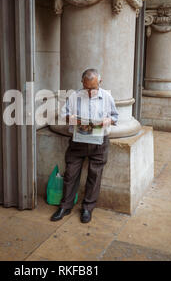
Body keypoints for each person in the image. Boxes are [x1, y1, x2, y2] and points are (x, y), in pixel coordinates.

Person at [50, 68, 118, 224]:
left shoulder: (107, 97)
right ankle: (65, 206)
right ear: (82, 83)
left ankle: (87, 208)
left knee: (94, 176)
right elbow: (63, 115)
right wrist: (72, 119)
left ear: (100, 83)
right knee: (70, 174)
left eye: (93, 88)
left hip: (99, 143)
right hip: (78, 142)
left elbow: (115, 117)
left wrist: (107, 121)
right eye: (86, 88)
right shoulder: (74, 96)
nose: (89, 91)